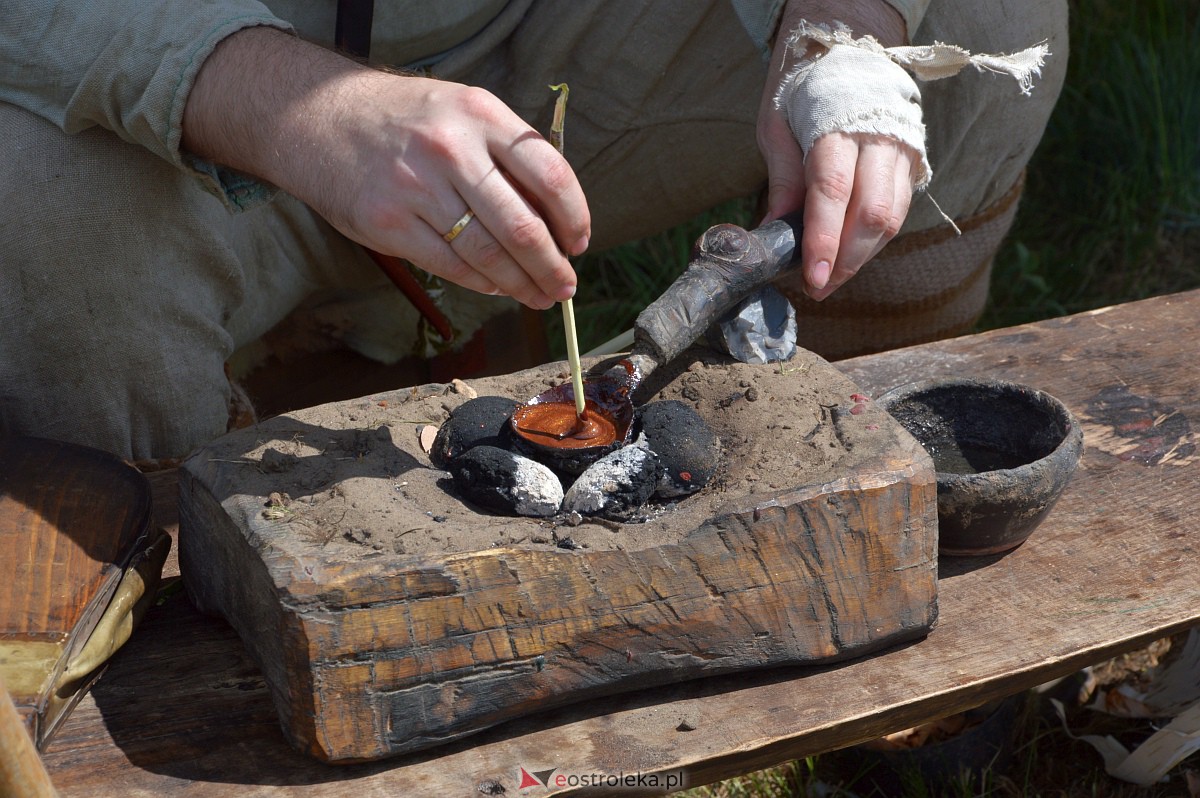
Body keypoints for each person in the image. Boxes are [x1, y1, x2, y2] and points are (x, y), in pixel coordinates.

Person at [0, 0, 1067, 462]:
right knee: (43, 227)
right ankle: (204, 630)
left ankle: (864, 470)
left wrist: (849, 31)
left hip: (566, 48)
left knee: (990, 17)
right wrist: (299, 110)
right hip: (208, 101)